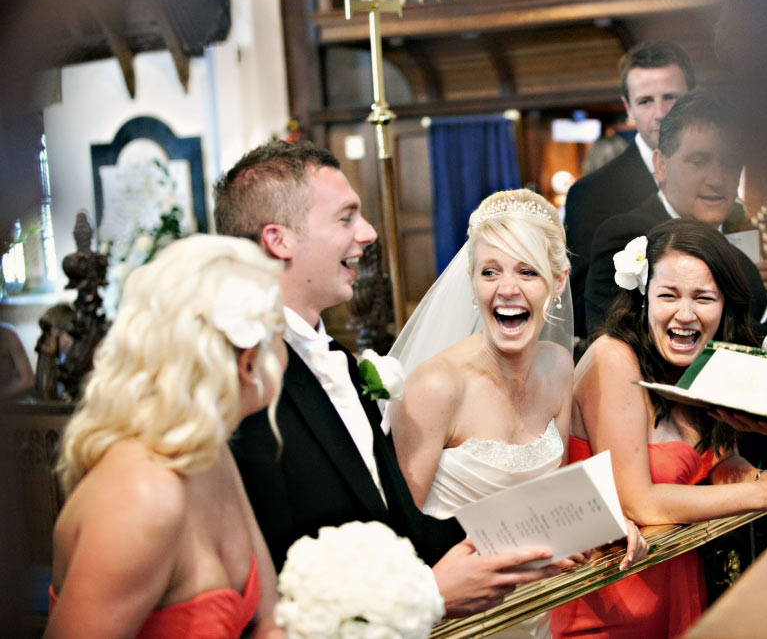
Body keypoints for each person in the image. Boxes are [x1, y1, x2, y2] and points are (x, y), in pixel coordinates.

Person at [215, 140, 563, 618]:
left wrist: (551, 541)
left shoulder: (338, 361)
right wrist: (427, 594)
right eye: (345, 218)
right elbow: (272, 570)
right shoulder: (240, 384)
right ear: (280, 240)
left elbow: (395, 521)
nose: (369, 232)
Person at [389, 189, 647, 637]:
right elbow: (400, 534)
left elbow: (546, 500)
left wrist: (603, 523)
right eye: (490, 271)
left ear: (559, 281)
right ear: (472, 281)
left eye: (527, 271)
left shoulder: (558, 365)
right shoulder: (436, 387)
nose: (507, 289)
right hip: (457, 620)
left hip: (536, 612)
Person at [551, 219, 767, 638]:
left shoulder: (704, 364)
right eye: (668, 295)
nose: (685, 314)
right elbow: (640, 501)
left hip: (678, 582)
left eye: (703, 298)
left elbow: (717, 460)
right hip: (607, 600)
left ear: (725, 306)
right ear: (644, 297)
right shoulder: (614, 358)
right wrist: (764, 493)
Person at [45, 235, 286, 638]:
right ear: (248, 362)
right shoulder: (143, 496)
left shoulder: (212, 453)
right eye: (280, 334)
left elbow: (268, 620)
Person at [584, 91, 767, 338]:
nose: (717, 179)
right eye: (698, 161)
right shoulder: (626, 238)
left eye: (729, 162)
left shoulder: (743, 265)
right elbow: (618, 338)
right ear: (660, 166)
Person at [564, 40, 695, 342]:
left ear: (691, 98)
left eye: (670, 97)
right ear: (628, 106)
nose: (660, 113)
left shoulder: (714, 178)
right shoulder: (591, 193)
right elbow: (584, 310)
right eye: (646, 101)